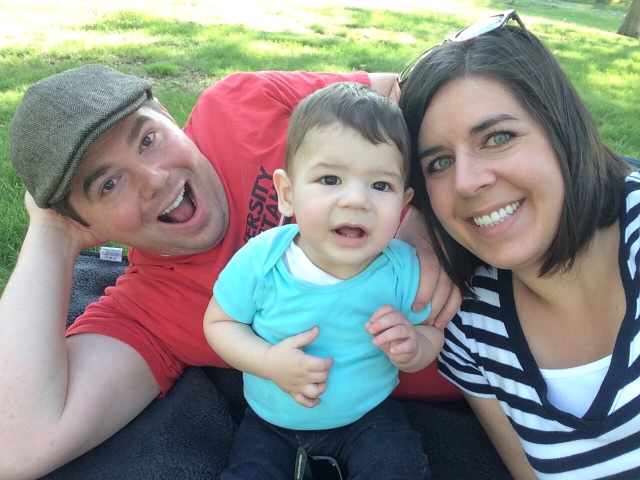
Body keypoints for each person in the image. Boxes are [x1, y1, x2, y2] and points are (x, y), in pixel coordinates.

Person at [0, 64, 460, 478]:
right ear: (86, 224)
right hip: (470, 395)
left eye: (148, 139)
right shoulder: (148, 308)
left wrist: (427, 217)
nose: (155, 179)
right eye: (108, 184)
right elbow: (16, 446)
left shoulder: (239, 104)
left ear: (166, 114)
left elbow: (406, 88)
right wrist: (50, 233)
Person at [399, 9, 640, 480]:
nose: (466, 182)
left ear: (561, 128)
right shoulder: (468, 324)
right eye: (439, 163)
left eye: (498, 137)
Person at [204, 82, 443, 479]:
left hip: (367, 416)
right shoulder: (264, 260)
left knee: (398, 467)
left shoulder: (402, 268)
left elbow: (431, 331)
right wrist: (268, 362)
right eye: (330, 179)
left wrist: (414, 347)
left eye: (380, 185)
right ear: (287, 193)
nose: (356, 200)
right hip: (271, 420)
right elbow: (219, 323)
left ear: (403, 204)